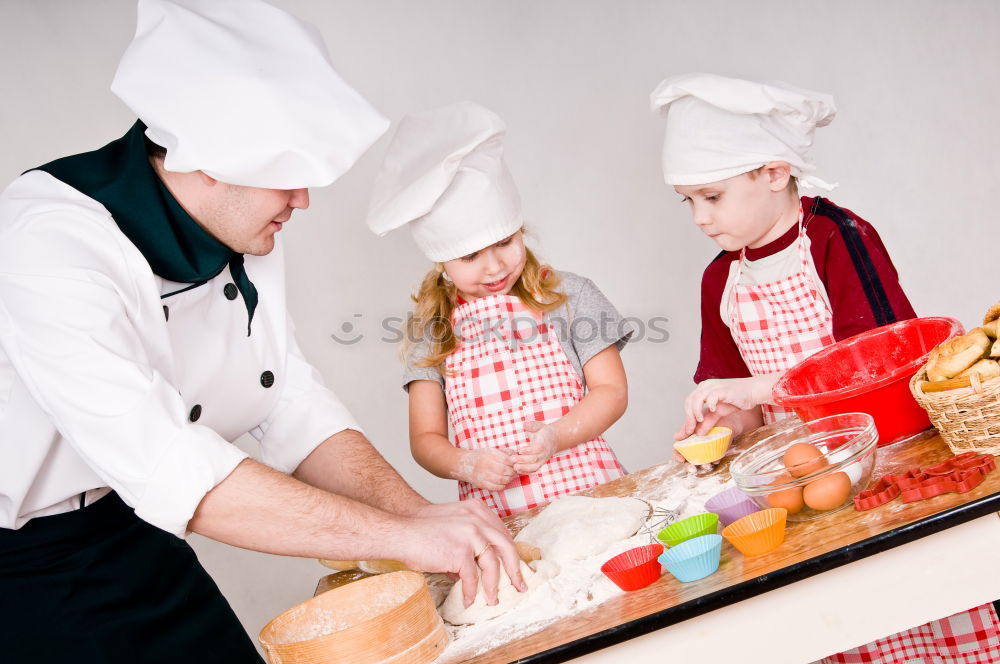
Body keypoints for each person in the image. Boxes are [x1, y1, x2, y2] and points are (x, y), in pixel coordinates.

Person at [0, 3, 522, 662]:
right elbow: (168, 462)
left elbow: (286, 401)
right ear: (209, 163)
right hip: (20, 564)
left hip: (130, 525)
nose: (303, 201)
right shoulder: (51, 246)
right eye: (287, 176)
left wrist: (413, 513)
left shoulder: (240, 229)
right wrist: (394, 539)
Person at [651, 72, 998, 664]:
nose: (699, 218)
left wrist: (760, 386)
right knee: (843, 618)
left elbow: (884, 364)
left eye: (712, 197)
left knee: (918, 599)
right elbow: (741, 398)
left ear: (774, 173)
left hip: (889, 456)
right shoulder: (720, 279)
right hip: (804, 478)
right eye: (688, 200)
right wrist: (721, 422)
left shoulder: (839, 237)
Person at [366, 101, 632, 519]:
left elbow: (612, 392)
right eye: (470, 257)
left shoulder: (570, 296)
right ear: (442, 261)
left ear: (520, 230)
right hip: (502, 522)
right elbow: (426, 437)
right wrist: (465, 463)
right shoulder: (433, 329)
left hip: (593, 497)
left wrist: (555, 438)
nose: (494, 267)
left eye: (506, 242)